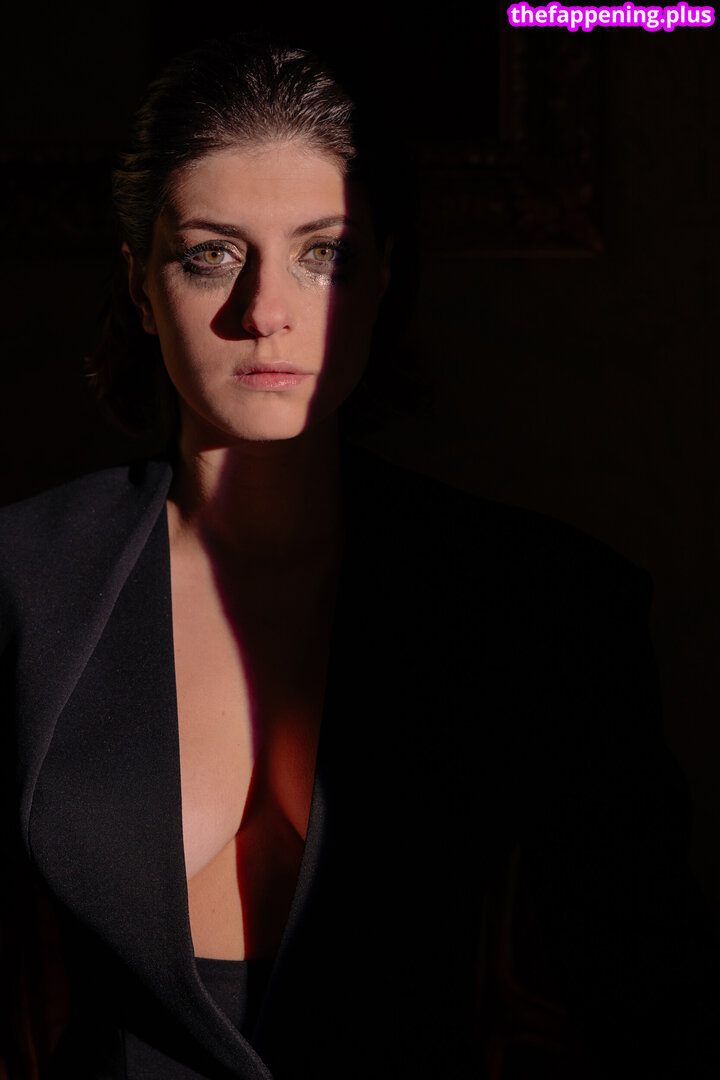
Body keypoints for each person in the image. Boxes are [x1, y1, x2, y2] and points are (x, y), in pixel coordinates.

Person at [1, 34, 719, 1080]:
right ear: (142, 287)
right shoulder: (23, 583)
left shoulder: (544, 602)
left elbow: (650, 1006)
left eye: (322, 254)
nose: (265, 312)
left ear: (383, 276)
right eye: (212, 254)